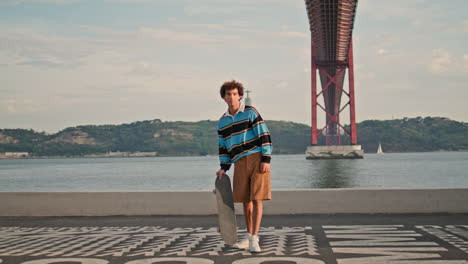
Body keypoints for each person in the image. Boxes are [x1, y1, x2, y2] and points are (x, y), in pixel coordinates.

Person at [215, 80, 272, 253]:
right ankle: (249, 237)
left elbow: (264, 135)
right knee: (246, 202)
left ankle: (254, 239)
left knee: (257, 198)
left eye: (234, 94)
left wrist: (265, 159)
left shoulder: (250, 112)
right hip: (239, 162)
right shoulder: (222, 122)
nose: (231, 97)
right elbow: (223, 147)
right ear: (224, 98)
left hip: (256, 158)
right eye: (228, 94)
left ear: (240, 95)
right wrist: (224, 167)